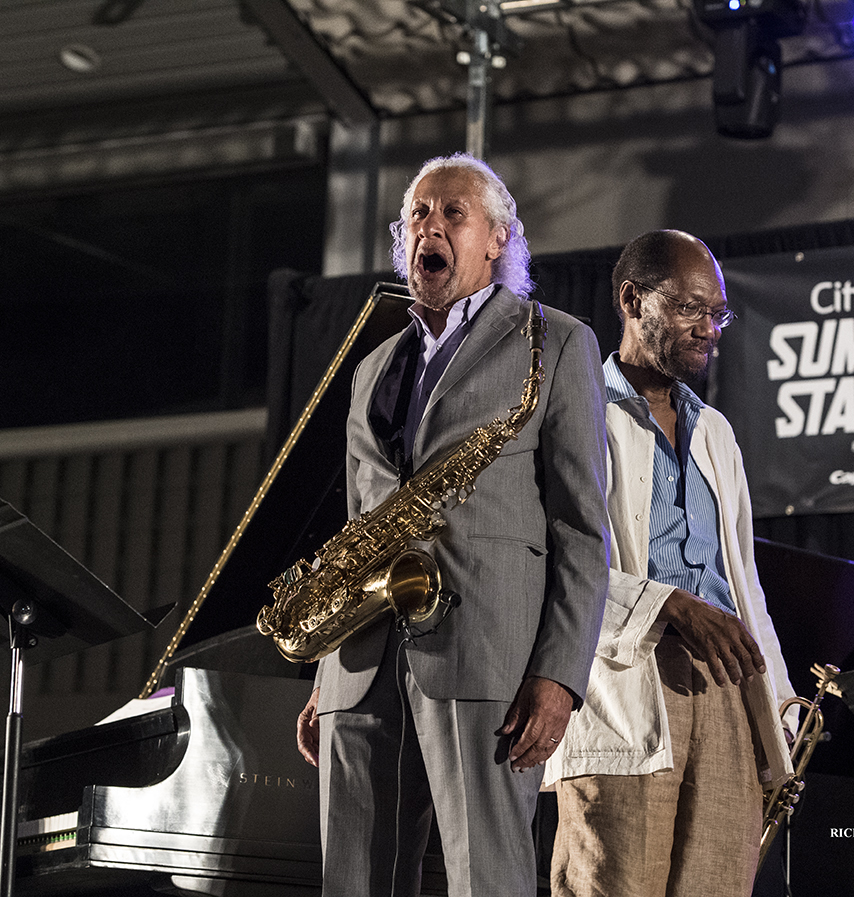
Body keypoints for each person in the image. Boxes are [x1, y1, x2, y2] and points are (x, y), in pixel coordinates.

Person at [293, 153, 610, 897]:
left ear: (497, 239)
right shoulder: (372, 365)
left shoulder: (555, 342)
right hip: (362, 658)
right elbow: (354, 527)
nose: (428, 227)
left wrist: (559, 674)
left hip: (486, 655)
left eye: (451, 213)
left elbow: (583, 530)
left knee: (486, 880)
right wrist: (322, 672)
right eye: (417, 217)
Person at [544, 230, 798, 897]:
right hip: (627, 687)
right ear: (632, 300)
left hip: (726, 697)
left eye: (717, 313)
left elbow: (744, 584)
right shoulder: (575, 413)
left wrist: (781, 713)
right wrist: (670, 605)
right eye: (691, 308)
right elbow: (559, 565)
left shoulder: (716, 431)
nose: (708, 327)